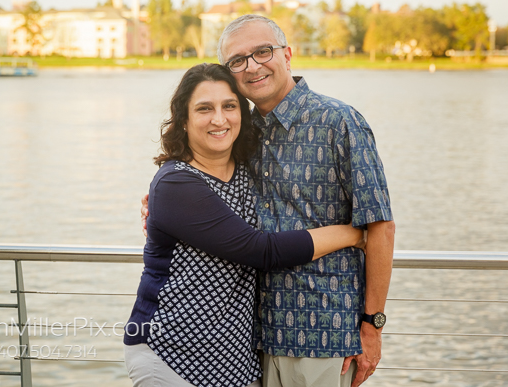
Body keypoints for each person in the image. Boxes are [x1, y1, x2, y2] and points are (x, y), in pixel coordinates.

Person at [125, 63, 366, 387]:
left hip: (236, 362)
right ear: (183, 119)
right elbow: (259, 249)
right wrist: (353, 233)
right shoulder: (176, 183)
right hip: (169, 355)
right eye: (204, 108)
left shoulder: (247, 171)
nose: (219, 118)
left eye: (229, 106)